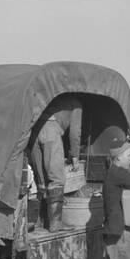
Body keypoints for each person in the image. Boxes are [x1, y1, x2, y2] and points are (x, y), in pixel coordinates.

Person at [30, 96, 82, 232]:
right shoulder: (76, 104)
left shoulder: (52, 95)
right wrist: (75, 155)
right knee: (57, 179)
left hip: (34, 131)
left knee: (41, 180)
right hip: (51, 131)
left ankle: (38, 222)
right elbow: (75, 132)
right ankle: (55, 224)